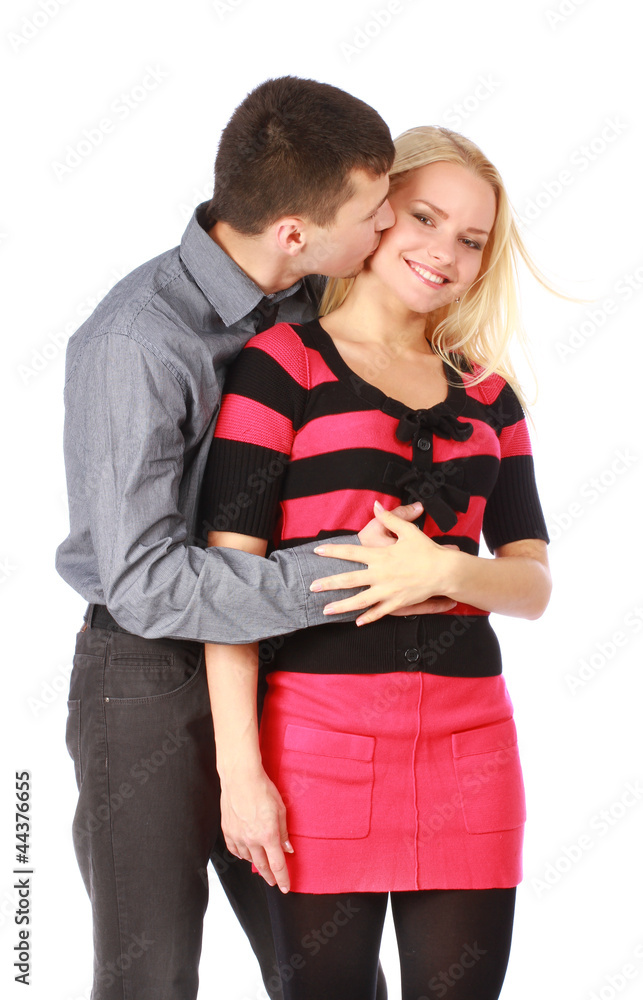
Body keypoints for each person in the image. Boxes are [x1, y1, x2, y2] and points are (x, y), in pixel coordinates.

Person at [56, 76, 451, 1000]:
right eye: (374, 213)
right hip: (149, 676)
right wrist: (345, 573)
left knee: (328, 968)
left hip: (290, 668)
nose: (388, 226)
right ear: (293, 232)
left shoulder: (317, 298)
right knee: (151, 977)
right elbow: (147, 582)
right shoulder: (137, 342)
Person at [202, 125, 553, 1000]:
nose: (443, 253)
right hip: (315, 746)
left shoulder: (489, 395)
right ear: (374, 213)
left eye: (470, 239)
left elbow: (532, 582)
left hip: (472, 750)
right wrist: (240, 776)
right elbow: (225, 589)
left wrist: (445, 573)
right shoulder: (280, 367)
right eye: (423, 218)